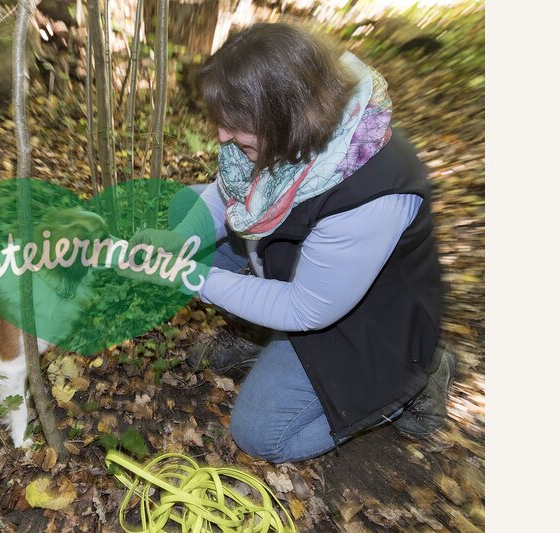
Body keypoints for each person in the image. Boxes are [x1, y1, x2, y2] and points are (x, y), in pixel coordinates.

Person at [136, 23, 454, 464]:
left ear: (285, 113)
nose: (222, 137)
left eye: (236, 124)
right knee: (186, 211)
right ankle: (263, 333)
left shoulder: (369, 192)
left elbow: (308, 309)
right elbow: (224, 194)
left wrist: (192, 276)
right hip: (307, 272)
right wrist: (177, 242)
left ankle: (412, 384)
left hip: (368, 322)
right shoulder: (288, 129)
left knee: (262, 435)